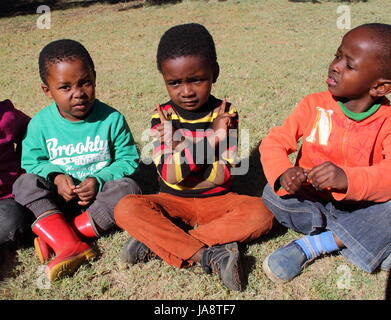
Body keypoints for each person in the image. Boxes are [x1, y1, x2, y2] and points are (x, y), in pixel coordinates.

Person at [114, 23, 273, 292]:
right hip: (171, 200)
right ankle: (209, 255)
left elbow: (220, 176)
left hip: (220, 201)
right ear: (163, 78)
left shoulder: (226, 113)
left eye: (196, 79)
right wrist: (211, 139)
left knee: (264, 212)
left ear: (215, 73)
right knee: (126, 208)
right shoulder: (161, 116)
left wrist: (181, 145)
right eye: (174, 82)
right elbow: (171, 175)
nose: (186, 91)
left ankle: (160, 243)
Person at [260, 23, 391, 283]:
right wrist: (284, 172)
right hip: (311, 203)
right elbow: (274, 141)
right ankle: (367, 239)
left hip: (361, 206)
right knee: (270, 193)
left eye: (349, 65)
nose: (335, 66)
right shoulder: (314, 105)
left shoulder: (387, 121)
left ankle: (315, 245)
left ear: (379, 87)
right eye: (337, 55)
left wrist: (347, 180)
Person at [12, 39, 140, 282]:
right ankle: (69, 240)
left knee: (129, 188)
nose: (78, 93)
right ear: (47, 90)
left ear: (94, 77)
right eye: (65, 87)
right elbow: (31, 162)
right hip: (56, 203)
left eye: (85, 83)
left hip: (96, 203)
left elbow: (128, 159)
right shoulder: (40, 124)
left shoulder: (111, 119)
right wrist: (56, 176)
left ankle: (62, 238)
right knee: (24, 184)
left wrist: (99, 179)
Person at [0, 99, 32, 274]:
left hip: (6, 200)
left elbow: (33, 131)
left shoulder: (6, 116)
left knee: (12, 220)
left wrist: (23, 164)